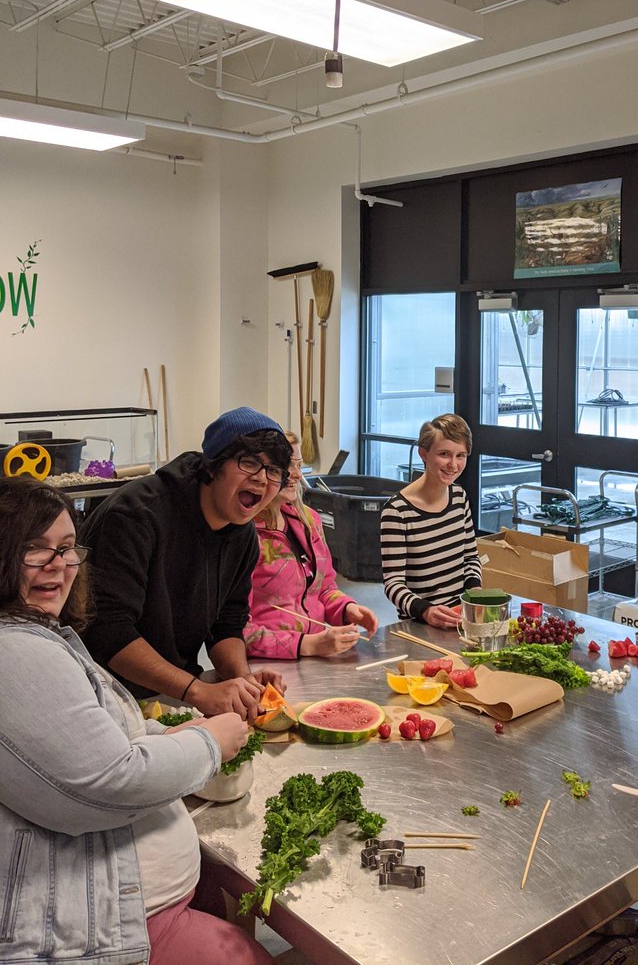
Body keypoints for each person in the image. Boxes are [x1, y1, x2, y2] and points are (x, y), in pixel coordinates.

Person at [0, 476, 274, 965]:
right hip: (99, 930)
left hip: (139, 906)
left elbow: (102, 735)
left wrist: (170, 733)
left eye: (66, 549)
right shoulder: (13, 651)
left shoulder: (38, 633)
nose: (58, 566)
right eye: (34, 550)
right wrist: (209, 743)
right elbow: (108, 781)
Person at [81, 406, 293, 719]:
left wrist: (242, 678)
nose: (262, 479)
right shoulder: (136, 516)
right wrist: (197, 690)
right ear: (213, 464)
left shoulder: (243, 535)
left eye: (274, 471)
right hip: (100, 698)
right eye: (249, 462)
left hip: (169, 695)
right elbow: (108, 631)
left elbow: (226, 624)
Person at [245, 431, 378, 658]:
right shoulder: (246, 535)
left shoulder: (308, 520)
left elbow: (324, 587)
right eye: (287, 466)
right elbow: (238, 632)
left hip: (312, 659)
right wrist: (308, 645)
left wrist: (346, 608)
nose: (296, 475)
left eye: (298, 465)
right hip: (264, 666)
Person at [381, 413, 481, 628]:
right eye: (444, 454)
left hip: (461, 617)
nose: (453, 465)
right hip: (421, 624)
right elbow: (393, 584)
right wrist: (425, 611)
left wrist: (474, 592)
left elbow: (471, 558)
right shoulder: (397, 511)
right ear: (423, 454)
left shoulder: (459, 497)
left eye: (461, 455)